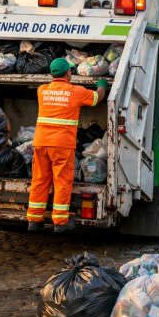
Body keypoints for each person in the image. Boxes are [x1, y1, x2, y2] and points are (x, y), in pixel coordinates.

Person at [27, 58, 108, 233]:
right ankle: (60, 222)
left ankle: (34, 220)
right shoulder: (75, 92)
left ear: (51, 74)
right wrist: (102, 85)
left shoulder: (42, 91)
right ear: (68, 73)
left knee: (40, 180)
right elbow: (97, 99)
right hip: (62, 145)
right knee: (62, 182)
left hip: (41, 143)